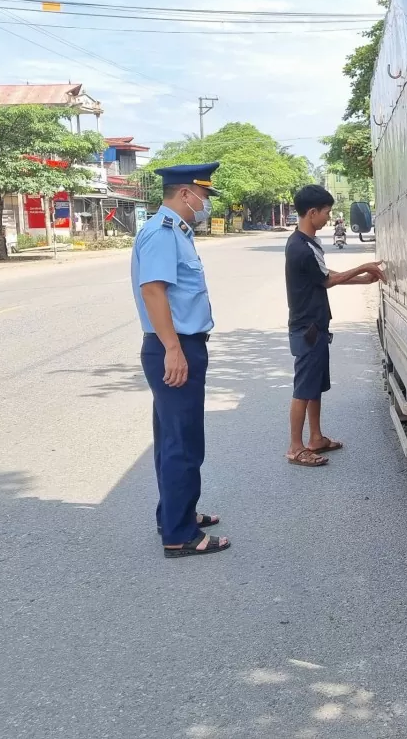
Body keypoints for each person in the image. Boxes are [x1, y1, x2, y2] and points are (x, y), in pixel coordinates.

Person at [131, 162, 230, 557]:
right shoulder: (163, 233)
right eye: (204, 197)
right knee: (183, 443)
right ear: (187, 194)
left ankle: (176, 515)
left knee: (174, 438)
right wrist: (174, 349)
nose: (205, 205)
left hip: (179, 345)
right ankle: (180, 535)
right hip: (175, 347)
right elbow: (153, 291)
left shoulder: (177, 233)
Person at [284, 184, 383, 466]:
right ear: (312, 212)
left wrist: (362, 279)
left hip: (315, 328)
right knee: (304, 389)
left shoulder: (306, 242)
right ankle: (295, 447)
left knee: (314, 386)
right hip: (308, 330)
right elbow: (327, 280)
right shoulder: (301, 247)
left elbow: (324, 275)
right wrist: (363, 268)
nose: (329, 217)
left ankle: (315, 438)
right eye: (326, 212)